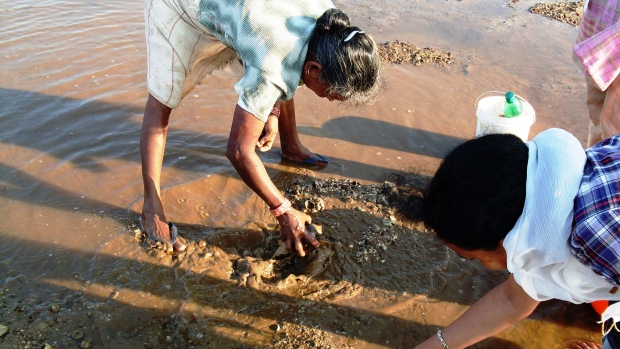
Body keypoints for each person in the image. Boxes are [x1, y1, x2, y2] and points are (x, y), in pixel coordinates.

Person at [140, 0, 383, 255]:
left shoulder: (328, 25)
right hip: (181, 5)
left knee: (280, 69)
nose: (335, 100)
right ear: (314, 69)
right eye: (334, 94)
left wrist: (273, 111)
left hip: (247, 14)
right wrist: (284, 211)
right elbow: (238, 151)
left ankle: (291, 146)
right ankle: (150, 210)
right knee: (162, 100)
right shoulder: (274, 62)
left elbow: (285, 58)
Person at [396, 128, 620, 348]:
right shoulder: (552, 194)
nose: (479, 263)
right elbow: (512, 299)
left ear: (506, 242)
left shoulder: (600, 237)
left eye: (475, 258)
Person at [573, 0, 620, 147]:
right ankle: (594, 160)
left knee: (614, 129)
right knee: (595, 116)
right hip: (599, 32)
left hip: (615, 41)